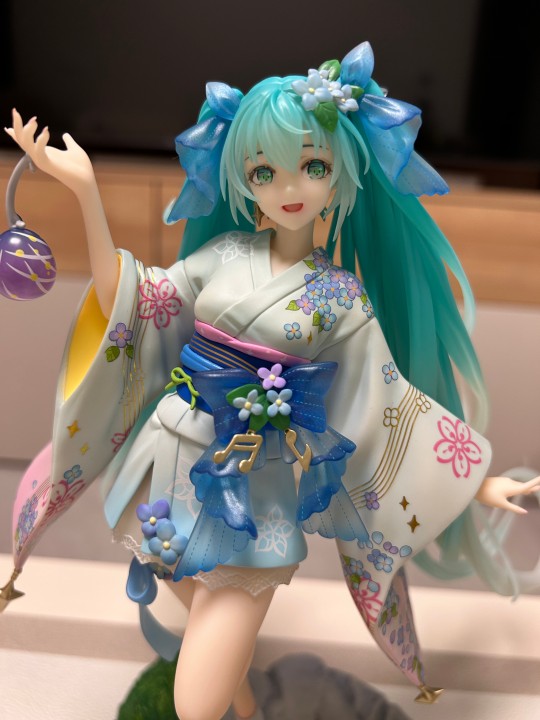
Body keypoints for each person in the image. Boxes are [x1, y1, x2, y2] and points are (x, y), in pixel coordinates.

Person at [3, 42, 539, 720]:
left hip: (253, 493)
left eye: (312, 166)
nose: (290, 189)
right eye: (265, 171)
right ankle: (251, 708)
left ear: (339, 175)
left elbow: (386, 403)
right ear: (245, 180)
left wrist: (474, 483)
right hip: (168, 460)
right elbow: (138, 303)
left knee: (194, 702)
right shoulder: (224, 254)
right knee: (199, 623)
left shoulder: (340, 296)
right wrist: (85, 192)